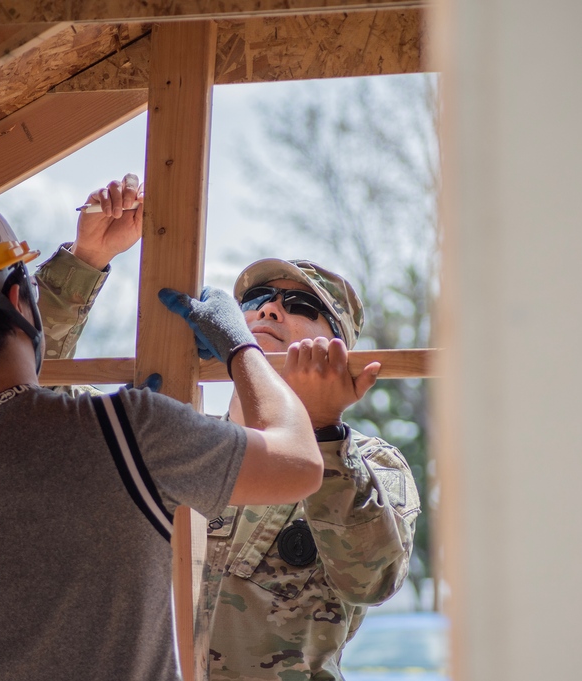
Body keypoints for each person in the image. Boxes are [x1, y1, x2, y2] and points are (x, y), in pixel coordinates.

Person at [0, 180, 331, 681]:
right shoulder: (127, 432)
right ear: (18, 296)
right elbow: (298, 463)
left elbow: (15, 442)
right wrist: (239, 346)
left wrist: (85, 259)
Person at [37, 200, 420, 681]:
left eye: (303, 306)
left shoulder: (365, 460)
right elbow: (30, 405)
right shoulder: (174, 441)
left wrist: (322, 431)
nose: (271, 309)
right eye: (256, 300)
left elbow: (372, 579)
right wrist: (85, 260)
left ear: (336, 347)